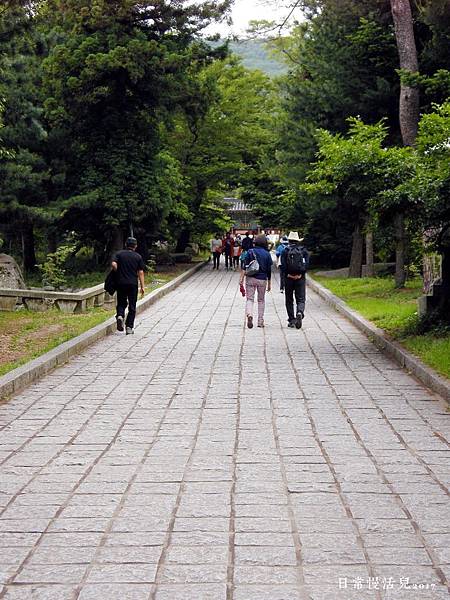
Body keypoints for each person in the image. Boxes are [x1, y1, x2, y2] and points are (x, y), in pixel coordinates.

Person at [112, 237, 145, 335]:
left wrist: (117, 271)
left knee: (121, 302)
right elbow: (141, 272)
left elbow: (113, 264)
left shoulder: (119, 254)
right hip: (132, 284)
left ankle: (120, 316)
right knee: (132, 306)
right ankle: (129, 327)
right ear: (135, 246)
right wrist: (142, 286)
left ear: (126, 244)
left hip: (121, 283)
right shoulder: (138, 257)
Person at [239, 233, 272, 329]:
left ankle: (249, 315)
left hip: (251, 278)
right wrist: (269, 283)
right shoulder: (267, 254)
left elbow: (244, 266)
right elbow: (269, 270)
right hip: (262, 279)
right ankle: (260, 321)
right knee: (261, 300)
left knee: (250, 299)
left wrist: (241, 279)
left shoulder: (250, 251)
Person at [281, 231, 309, 329]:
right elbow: (307, 265)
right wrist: (300, 274)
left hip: (288, 278)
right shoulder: (304, 251)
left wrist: (288, 275)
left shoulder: (285, 251)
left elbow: (283, 267)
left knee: (289, 300)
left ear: (289, 240)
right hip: (300, 278)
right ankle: (300, 312)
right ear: (298, 240)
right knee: (301, 298)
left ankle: (292, 320)